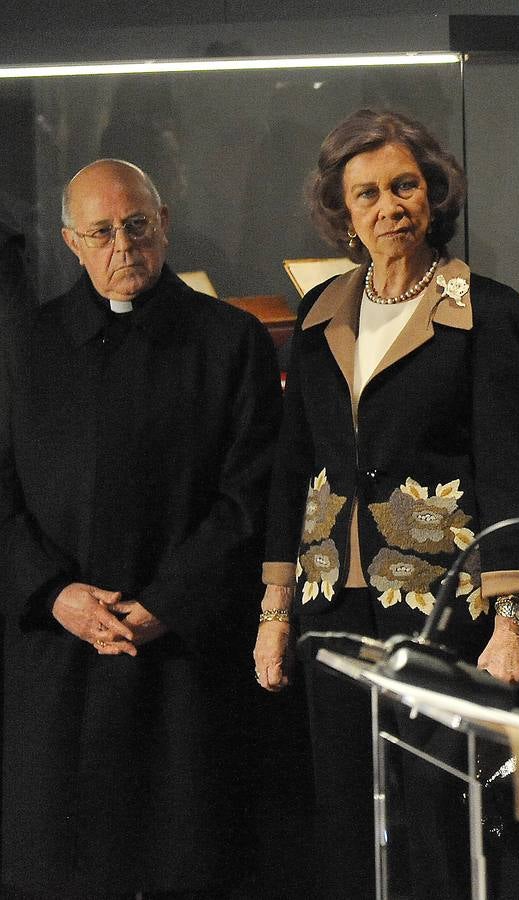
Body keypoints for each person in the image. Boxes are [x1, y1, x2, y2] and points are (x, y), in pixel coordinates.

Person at [252, 108, 519, 900]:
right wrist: (275, 612)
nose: (388, 207)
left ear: (433, 193)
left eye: (403, 185)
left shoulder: (484, 312)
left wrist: (513, 623)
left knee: (434, 819)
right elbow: (292, 470)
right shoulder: (319, 317)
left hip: (443, 610)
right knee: (347, 816)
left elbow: (512, 470)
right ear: (341, 213)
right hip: (330, 608)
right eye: (366, 194)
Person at [0, 159, 281, 897]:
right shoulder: (24, 344)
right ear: (71, 242)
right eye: (102, 231)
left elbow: (250, 494)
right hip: (55, 657)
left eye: (138, 226)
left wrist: (168, 602)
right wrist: (55, 594)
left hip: (181, 660)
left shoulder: (230, 340)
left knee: (184, 858)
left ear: (163, 226)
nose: (123, 245)